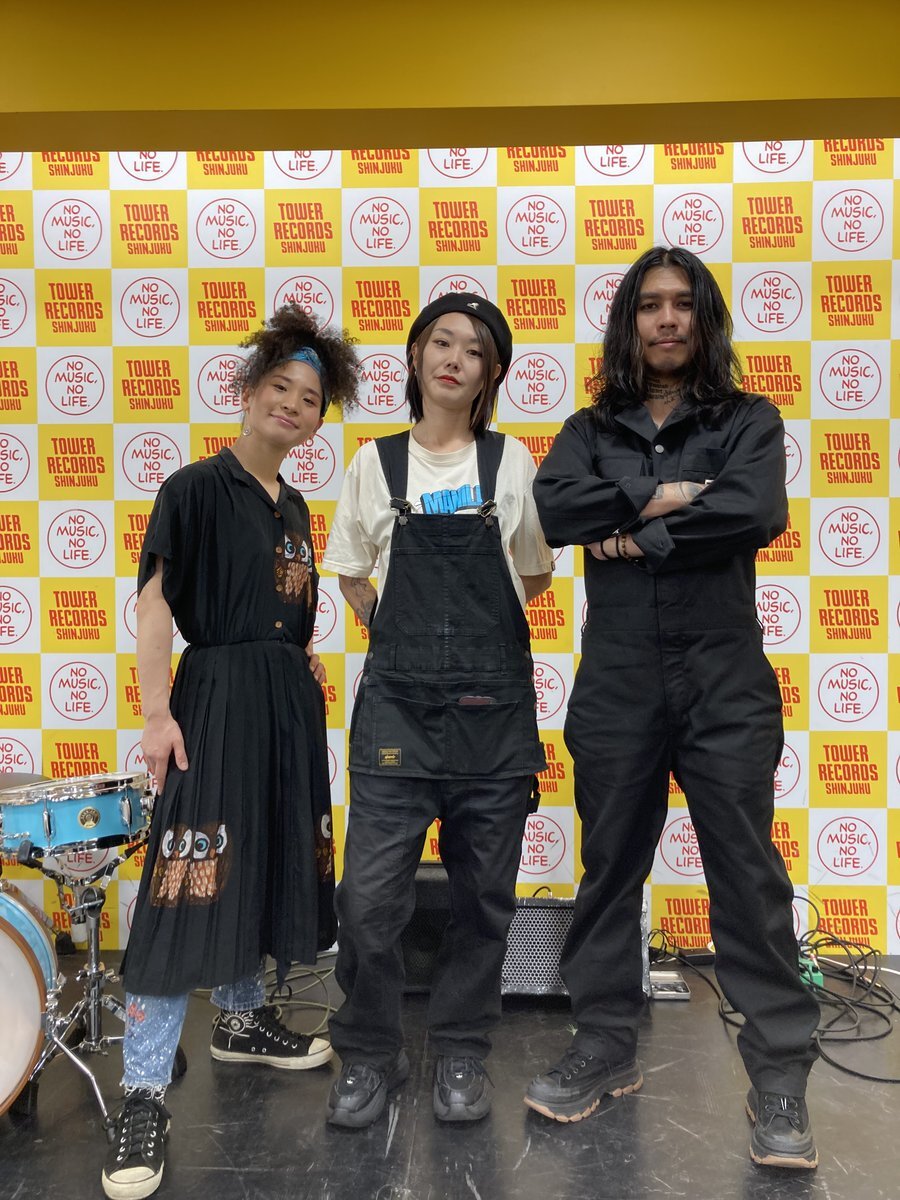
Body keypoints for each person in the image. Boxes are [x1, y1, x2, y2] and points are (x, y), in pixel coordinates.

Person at [525, 246, 820, 1169]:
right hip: (619, 677)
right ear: (629, 321)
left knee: (748, 876)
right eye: (649, 305)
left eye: (681, 304)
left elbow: (753, 509)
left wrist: (634, 534)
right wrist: (664, 496)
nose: (665, 319)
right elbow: (557, 509)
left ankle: (779, 1078)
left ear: (703, 319)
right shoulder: (588, 427)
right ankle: (604, 1045)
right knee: (610, 867)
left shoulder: (749, 419)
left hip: (723, 676)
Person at [102, 306, 360, 1200]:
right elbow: (154, 606)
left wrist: (298, 657)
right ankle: (143, 1094)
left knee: (263, 862)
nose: (293, 405)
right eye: (279, 388)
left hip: (284, 708)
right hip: (210, 703)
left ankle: (241, 1020)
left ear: (319, 419)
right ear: (247, 393)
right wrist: (155, 713)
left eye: (310, 398)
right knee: (186, 885)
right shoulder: (193, 489)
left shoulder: (295, 508)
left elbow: (283, 607)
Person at [321, 293, 553, 1128]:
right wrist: (392, 624)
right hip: (398, 716)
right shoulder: (374, 464)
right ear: (416, 358)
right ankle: (370, 1053)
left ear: (491, 375)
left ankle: (460, 1048)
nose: (455, 359)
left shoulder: (512, 462)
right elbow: (352, 569)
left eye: (474, 350)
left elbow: (533, 574)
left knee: (483, 899)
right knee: (368, 901)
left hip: (493, 716)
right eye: (442, 343)